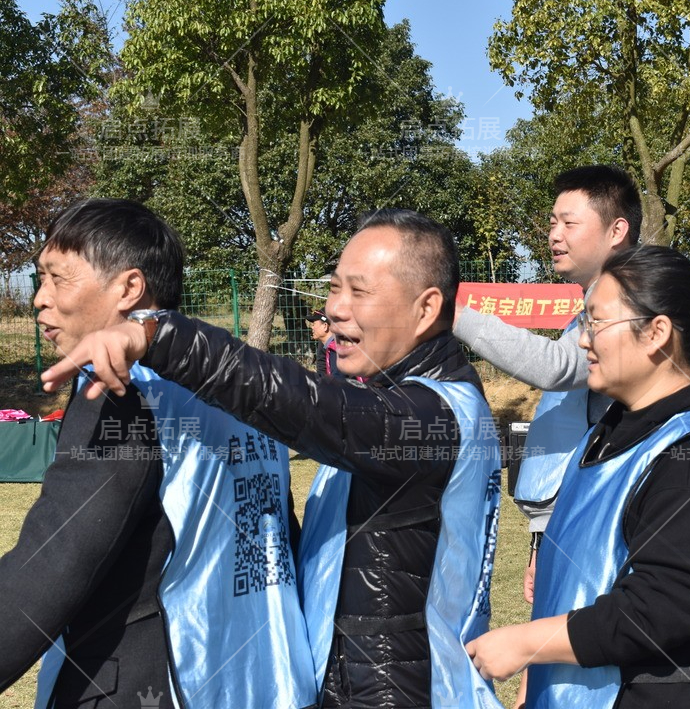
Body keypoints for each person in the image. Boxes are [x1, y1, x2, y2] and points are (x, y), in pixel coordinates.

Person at [42, 208, 504, 709]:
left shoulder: (433, 416)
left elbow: (307, 404)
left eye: (359, 291)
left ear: (426, 307)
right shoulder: (391, 398)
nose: (337, 309)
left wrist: (160, 336)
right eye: (333, 288)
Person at [1, 199, 316, 708]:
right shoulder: (242, 384)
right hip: (262, 680)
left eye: (58, 278)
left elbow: (55, 562)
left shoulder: (120, 387)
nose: (40, 298)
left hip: (153, 678)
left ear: (128, 288)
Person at [466, 245, 690, 709]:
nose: (583, 340)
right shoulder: (612, 431)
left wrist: (524, 644)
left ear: (656, 333)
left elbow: (661, 611)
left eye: (596, 323)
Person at [453, 165, 640, 604]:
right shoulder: (590, 303)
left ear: (617, 230)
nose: (554, 235)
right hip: (563, 510)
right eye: (553, 222)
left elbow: (558, 367)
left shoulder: (633, 298)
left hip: (595, 512)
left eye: (569, 223)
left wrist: (454, 314)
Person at [305, 307, 341, 375]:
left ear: (325, 326)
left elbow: (338, 381)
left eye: (314, 324)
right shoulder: (328, 347)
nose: (312, 327)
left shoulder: (335, 351)